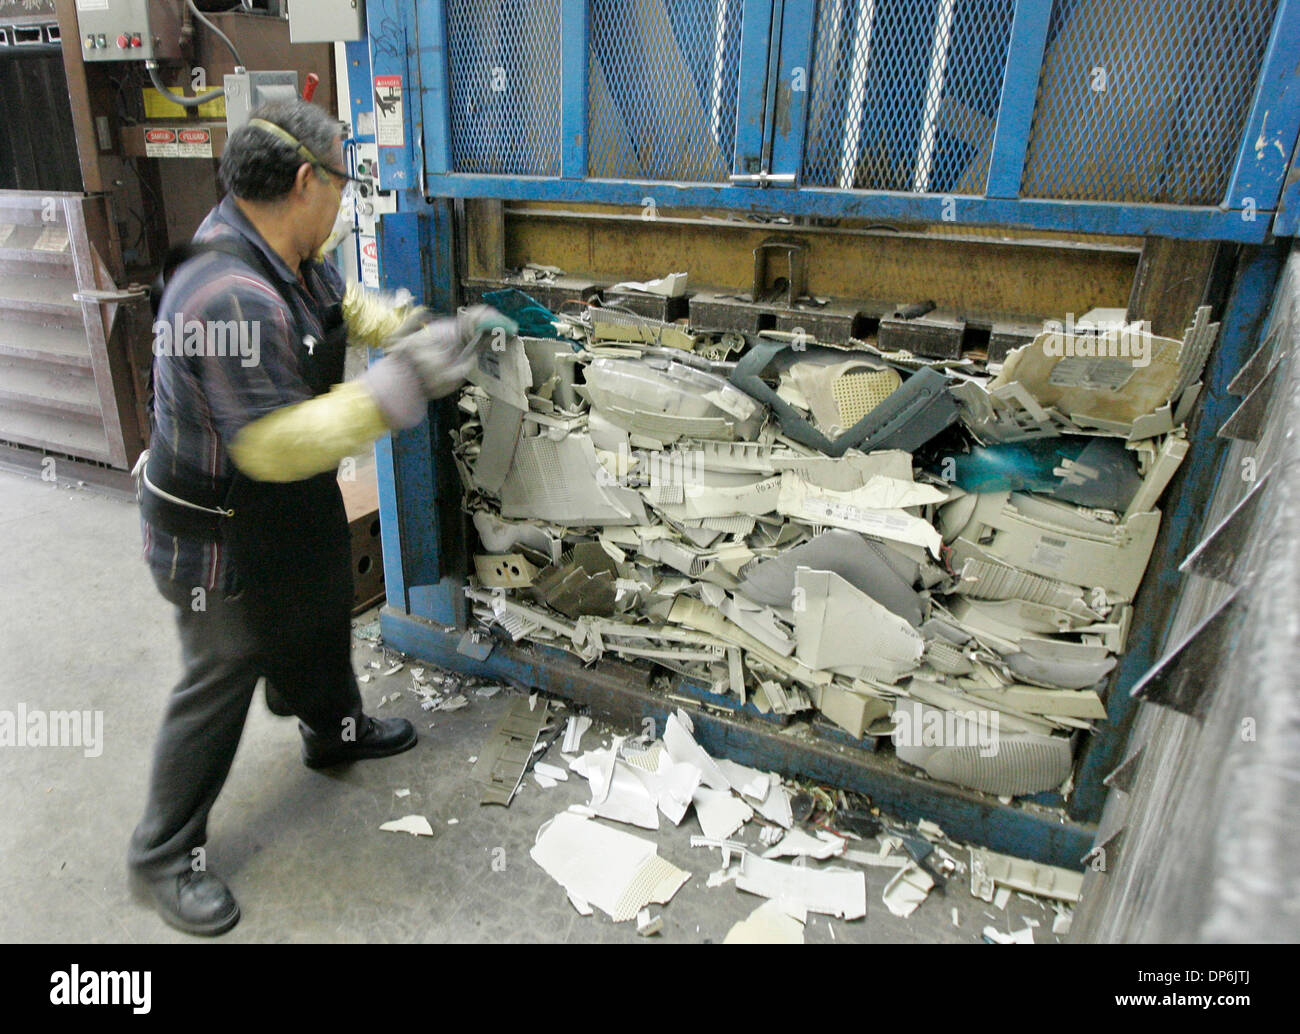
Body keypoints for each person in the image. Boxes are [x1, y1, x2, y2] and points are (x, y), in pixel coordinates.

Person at [128, 98, 513, 936]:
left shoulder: (293, 252)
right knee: (222, 673)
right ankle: (164, 854)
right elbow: (270, 446)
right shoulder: (224, 292)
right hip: (217, 531)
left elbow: (347, 312)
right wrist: (397, 389)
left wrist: (419, 330)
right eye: (343, 182)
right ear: (306, 180)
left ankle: (333, 730)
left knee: (317, 610)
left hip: (285, 506)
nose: (346, 200)